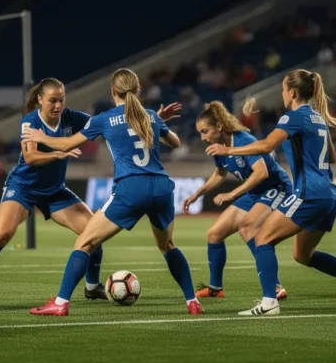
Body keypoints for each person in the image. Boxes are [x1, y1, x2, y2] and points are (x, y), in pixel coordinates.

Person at [0, 77, 181, 302]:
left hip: (55, 192)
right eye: (52, 100)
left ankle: (92, 287)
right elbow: (30, 156)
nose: (57, 105)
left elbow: (113, 124)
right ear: (40, 100)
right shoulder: (30, 121)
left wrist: (153, 120)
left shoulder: (73, 118)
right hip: (23, 187)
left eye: (61, 100)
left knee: (91, 233)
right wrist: (57, 153)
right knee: (3, 234)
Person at [21, 68, 202, 316]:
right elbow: (176, 143)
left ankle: (60, 303)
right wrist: (157, 121)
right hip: (161, 188)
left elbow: (66, 143)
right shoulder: (149, 115)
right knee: (168, 245)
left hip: (131, 189)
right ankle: (192, 301)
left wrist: (42, 136)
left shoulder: (104, 119)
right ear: (137, 90)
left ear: (112, 91)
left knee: (84, 242)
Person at [205, 69, 336, 316]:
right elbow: (332, 156)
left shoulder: (292, 117)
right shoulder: (317, 118)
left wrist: (227, 151)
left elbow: (266, 145)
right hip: (329, 194)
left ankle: (269, 302)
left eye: (284, 90)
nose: (283, 94)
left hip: (309, 193)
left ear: (293, 92)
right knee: (302, 254)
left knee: (262, 237)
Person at [184, 100, 290, 300]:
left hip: (276, 187)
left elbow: (262, 173)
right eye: (200, 132)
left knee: (247, 227)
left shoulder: (242, 140)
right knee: (214, 234)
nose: (202, 137)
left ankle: (275, 287)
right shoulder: (218, 146)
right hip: (255, 193)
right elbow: (220, 174)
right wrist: (197, 194)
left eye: (205, 131)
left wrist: (232, 195)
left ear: (219, 127)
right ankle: (216, 288)